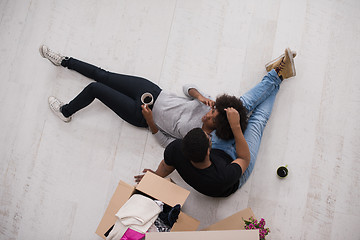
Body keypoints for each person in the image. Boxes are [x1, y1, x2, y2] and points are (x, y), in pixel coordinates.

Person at [134, 48, 296, 197]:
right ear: (208, 150)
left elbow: (166, 166)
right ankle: (279, 75)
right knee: (257, 121)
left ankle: (275, 74)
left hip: (218, 158)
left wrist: (155, 175)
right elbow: (244, 158)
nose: (211, 135)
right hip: (236, 170)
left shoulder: (176, 149)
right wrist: (236, 127)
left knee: (236, 107)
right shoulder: (221, 178)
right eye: (210, 138)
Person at [39, 45, 251, 147]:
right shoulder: (207, 104)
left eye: (212, 118)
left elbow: (166, 143)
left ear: (218, 128)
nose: (208, 114)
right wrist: (198, 96)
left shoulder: (199, 138)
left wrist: (150, 121)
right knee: (103, 75)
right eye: (212, 111)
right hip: (152, 92)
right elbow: (187, 87)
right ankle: (64, 61)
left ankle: (65, 111)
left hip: (142, 115)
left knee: (95, 88)